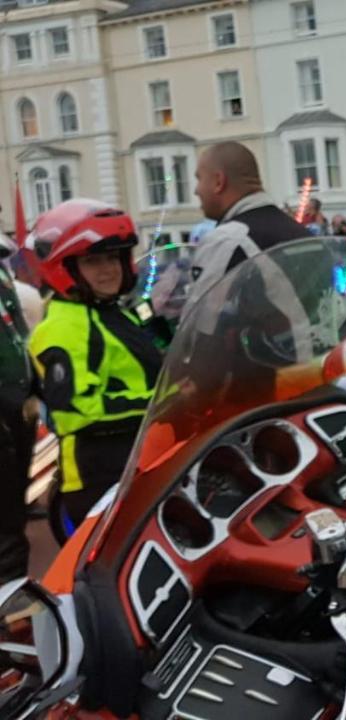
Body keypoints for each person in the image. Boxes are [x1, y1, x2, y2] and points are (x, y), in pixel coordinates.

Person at [26, 201, 164, 527]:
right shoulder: (64, 327)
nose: (108, 269)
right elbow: (76, 411)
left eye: (113, 257)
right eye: (93, 261)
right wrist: (162, 403)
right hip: (101, 477)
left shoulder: (112, 312)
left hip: (141, 463)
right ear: (67, 268)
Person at [188, 141, 311, 310]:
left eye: (199, 179)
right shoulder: (301, 233)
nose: (196, 191)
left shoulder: (226, 241)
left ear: (218, 182)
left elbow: (199, 325)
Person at [0, 233, 38, 582]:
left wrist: (33, 386)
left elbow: (20, 337)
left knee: (13, 513)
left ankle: (12, 595)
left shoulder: (3, 269)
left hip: (16, 407)